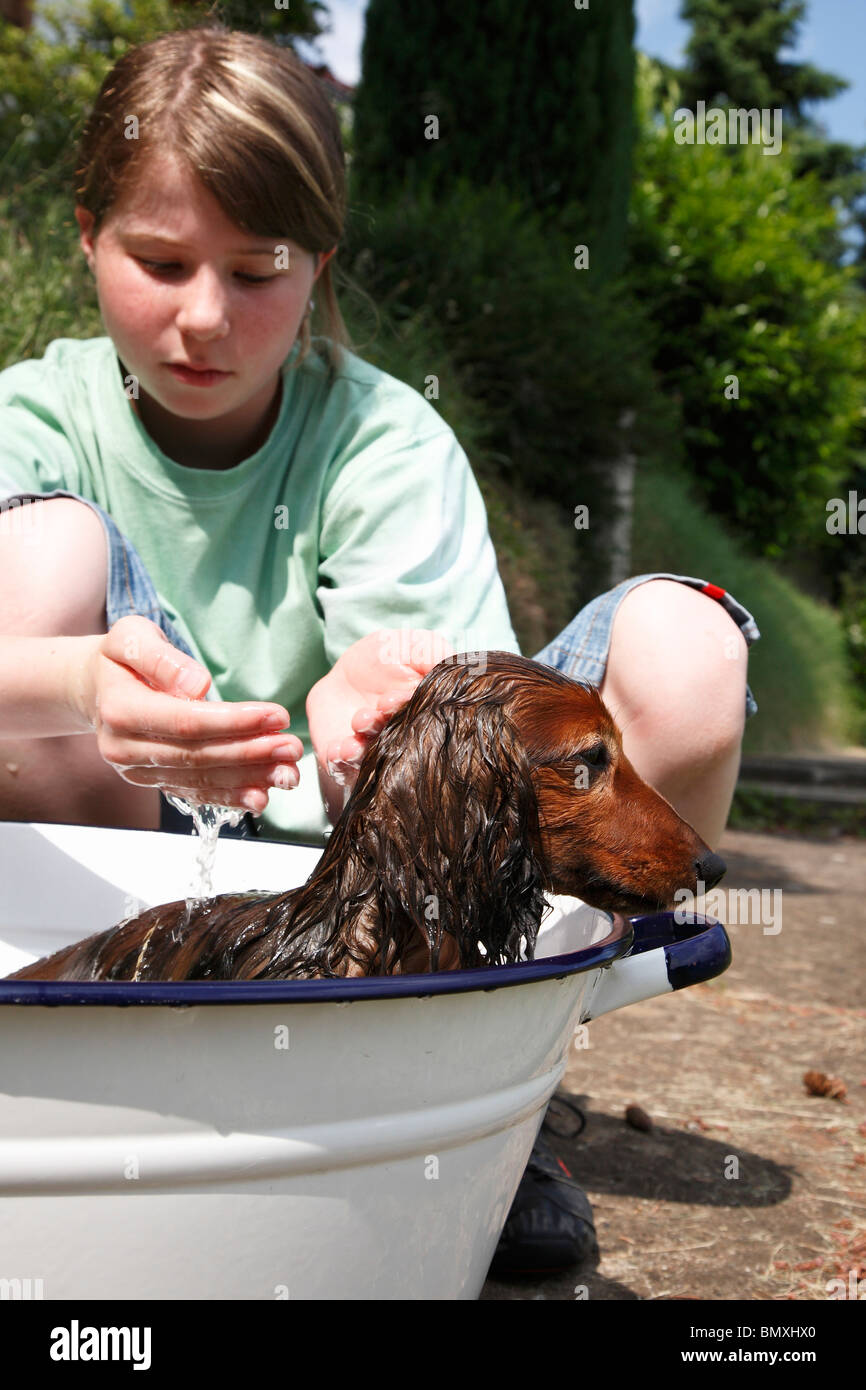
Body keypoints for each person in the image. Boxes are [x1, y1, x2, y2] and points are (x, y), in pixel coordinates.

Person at [0, 25, 760, 1276]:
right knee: (36, 562)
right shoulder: (37, 421)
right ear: (86, 233)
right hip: (137, 866)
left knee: (684, 651)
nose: (204, 317)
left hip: (358, 893)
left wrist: (365, 741)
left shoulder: (381, 443)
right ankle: (103, 1083)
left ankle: (498, 1096)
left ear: (321, 265)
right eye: (159, 259)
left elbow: (463, 789)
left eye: (257, 271)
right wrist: (73, 684)